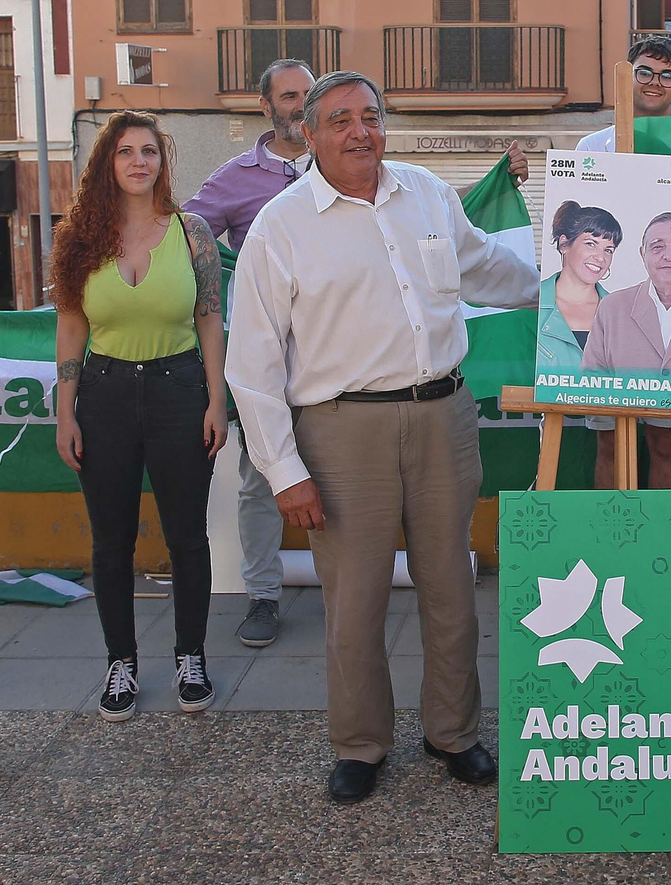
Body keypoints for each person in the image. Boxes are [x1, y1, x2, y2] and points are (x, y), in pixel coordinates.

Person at [226, 71, 538, 804]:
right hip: (342, 433)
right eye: (340, 120)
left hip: (444, 417)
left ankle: (453, 734)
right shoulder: (281, 225)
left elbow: (485, 265)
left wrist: (568, 288)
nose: (360, 131)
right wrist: (284, 471)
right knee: (356, 601)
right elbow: (253, 366)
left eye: (370, 115)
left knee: (450, 588)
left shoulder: (426, 192)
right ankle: (361, 745)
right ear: (309, 134)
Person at [51, 111, 229, 723]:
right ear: (107, 163)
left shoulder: (193, 233)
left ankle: (190, 657)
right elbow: (71, 326)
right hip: (102, 397)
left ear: (162, 162)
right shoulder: (79, 239)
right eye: (125, 151)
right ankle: (119, 662)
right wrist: (64, 412)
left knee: (186, 537)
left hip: (179, 391)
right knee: (111, 542)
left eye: (149, 151)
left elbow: (210, 318)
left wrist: (215, 398)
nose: (138, 162)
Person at [181, 59, 310, 648]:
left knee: (354, 478)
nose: (300, 105)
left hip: (346, 359)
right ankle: (262, 597)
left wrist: (494, 182)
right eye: (289, 96)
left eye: (309, 94)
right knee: (263, 479)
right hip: (267, 363)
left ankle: (354, 590)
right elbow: (181, 239)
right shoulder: (233, 180)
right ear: (266, 107)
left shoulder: (353, 170)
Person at [575, 35, 671, 489]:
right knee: (609, 443)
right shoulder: (591, 147)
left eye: (667, 75)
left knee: (665, 443)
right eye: (645, 72)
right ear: (626, 77)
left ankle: (662, 550)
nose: (655, 82)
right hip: (608, 311)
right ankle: (607, 547)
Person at [583, 213, 671, 379]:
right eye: (657, 247)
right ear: (643, 254)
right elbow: (591, 382)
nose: (669, 256)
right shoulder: (612, 308)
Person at [537, 201, 621, 370]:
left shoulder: (621, 313)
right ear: (564, 244)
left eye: (608, 250)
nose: (600, 257)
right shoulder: (531, 303)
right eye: (591, 244)